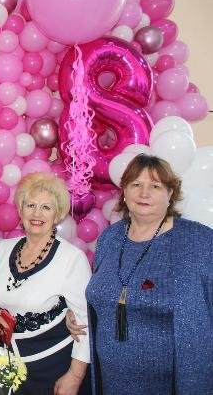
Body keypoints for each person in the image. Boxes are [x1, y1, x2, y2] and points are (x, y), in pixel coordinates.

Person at [67, 154, 213, 394]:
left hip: (172, 385)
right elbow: (101, 297)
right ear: (124, 191)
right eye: (136, 184)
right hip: (111, 381)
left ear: (170, 194)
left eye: (155, 186)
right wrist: (80, 315)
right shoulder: (110, 238)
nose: (144, 193)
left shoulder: (199, 241)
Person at [0, 172, 91, 395]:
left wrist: (75, 376)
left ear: (58, 214)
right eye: (30, 205)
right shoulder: (3, 249)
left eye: (46, 207)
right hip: (5, 368)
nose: (37, 214)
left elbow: (85, 323)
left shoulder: (72, 258)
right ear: (20, 210)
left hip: (53, 370)